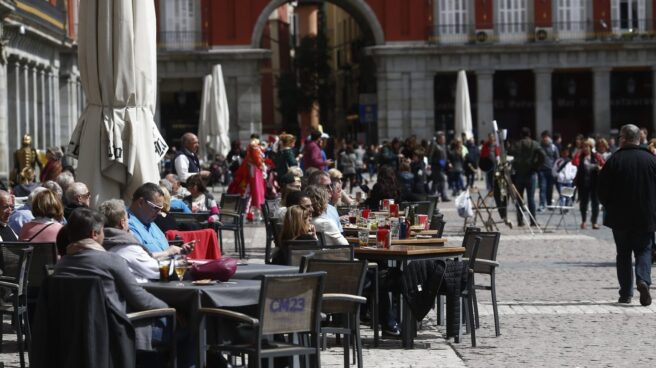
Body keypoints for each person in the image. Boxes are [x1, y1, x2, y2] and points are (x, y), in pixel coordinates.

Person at [53, 207, 167, 322]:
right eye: (103, 230)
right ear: (94, 234)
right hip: (116, 331)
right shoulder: (111, 260)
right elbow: (141, 300)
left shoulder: (60, 266)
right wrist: (169, 308)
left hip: (73, 332)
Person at [598, 124, 656, 306]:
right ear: (639, 139)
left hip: (620, 216)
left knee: (623, 254)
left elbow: (602, 190)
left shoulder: (614, 160)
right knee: (644, 250)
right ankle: (643, 280)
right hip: (646, 215)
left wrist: (609, 206)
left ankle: (625, 293)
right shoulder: (651, 159)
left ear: (623, 138)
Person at [99, 199, 159, 283]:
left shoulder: (98, 245)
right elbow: (157, 270)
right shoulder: (128, 248)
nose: (129, 221)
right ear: (122, 223)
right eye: (128, 218)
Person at [128, 183, 192, 258]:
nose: (159, 213)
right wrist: (167, 253)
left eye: (160, 209)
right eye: (156, 208)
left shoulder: (150, 222)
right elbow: (138, 258)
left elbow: (165, 250)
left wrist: (180, 251)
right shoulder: (126, 225)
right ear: (141, 202)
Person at [509, 127, 545, 227]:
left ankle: (520, 221)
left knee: (519, 199)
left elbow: (509, 153)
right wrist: (537, 166)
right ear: (529, 134)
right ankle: (533, 221)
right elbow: (543, 155)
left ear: (521, 135)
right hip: (531, 174)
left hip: (519, 174)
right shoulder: (534, 143)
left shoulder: (516, 144)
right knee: (531, 199)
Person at [227, 137, 267, 219]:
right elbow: (258, 162)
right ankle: (248, 212)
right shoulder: (251, 153)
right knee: (250, 195)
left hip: (247, 178)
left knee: (250, 195)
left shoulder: (248, 154)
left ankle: (249, 212)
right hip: (249, 178)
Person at [574, 139, 604, 229]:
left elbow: (604, 165)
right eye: (583, 147)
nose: (585, 149)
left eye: (587, 147)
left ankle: (594, 222)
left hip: (595, 183)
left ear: (591, 147)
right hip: (583, 183)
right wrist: (579, 153)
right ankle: (583, 221)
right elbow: (574, 162)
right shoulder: (580, 157)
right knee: (584, 203)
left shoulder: (596, 156)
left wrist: (599, 167)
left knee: (595, 203)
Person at [538, 131, 559, 211]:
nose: (545, 139)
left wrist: (556, 169)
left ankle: (549, 203)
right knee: (542, 187)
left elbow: (557, 158)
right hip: (542, 170)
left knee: (550, 188)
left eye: (546, 137)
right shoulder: (539, 147)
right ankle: (542, 204)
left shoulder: (553, 147)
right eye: (543, 137)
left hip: (551, 170)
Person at [429, 132, 450, 201]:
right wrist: (431, 163)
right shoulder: (435, 145)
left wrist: (448, 163)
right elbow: (430, 156)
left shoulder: (443, 146)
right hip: (436, 166)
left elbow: (445, 156)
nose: (444, 140)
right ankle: (443, 196)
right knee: (442, 180)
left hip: (442, 166)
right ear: (438, 139)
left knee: (436, 181)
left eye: (444, 138)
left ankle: (433, 195)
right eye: (442, 139)